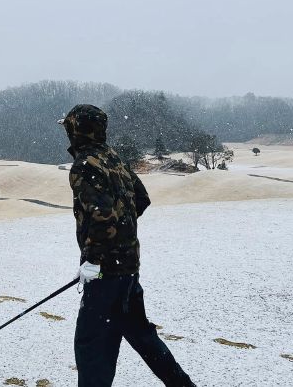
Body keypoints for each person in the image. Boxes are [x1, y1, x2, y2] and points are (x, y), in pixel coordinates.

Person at [59, 104, 195, 387]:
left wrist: (93, 262)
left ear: (75, 130)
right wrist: (122, 234)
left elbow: (100, 216)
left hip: (106, 274)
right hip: (129, 268)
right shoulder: (113, 158)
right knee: (141, 335)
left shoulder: (85, 165)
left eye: (68, 128)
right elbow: (140, 199)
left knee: (92, 346)